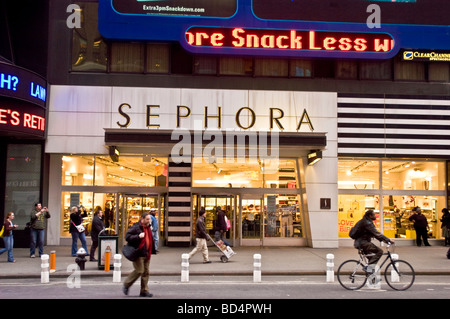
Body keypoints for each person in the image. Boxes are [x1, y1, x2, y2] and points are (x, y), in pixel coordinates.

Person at [123, 212, 155, 297]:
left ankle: (144, 291)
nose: (149, 221)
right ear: (142, 219)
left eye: (150, 219)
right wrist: (138, 236)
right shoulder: (136, 227)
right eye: (147, 219)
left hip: (147, 253)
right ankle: (127, 284)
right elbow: (127, 236)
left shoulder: (148, 227)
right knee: (140, 270)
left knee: (146, 273)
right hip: (138, 253)